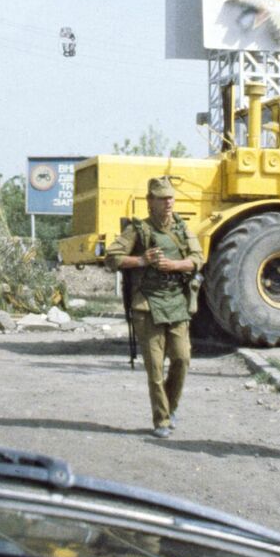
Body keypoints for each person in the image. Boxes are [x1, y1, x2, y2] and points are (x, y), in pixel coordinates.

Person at [105, 177, 202, 437]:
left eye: (171, 197)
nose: (168, 202)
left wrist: (175, 266)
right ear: (150, 201)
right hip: (147, 305)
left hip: (177, 302)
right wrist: (141, 260)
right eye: (162, 198)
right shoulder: (139, 230)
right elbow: (111, 258)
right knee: (156, 368)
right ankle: (161, 419)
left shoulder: (182, 229)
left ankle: (171, 408)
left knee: (182, 359)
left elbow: (197, 259)